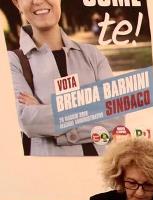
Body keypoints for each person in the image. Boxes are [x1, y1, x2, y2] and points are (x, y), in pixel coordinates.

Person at [8, 0, 121, 156]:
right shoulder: (12, 62)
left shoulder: (92, 55)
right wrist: (92, 109)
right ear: (17, 3)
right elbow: (28, 121)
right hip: (46, 168)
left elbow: (116, 116)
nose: (38, 1)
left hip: (98, 165)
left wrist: (43, 112)